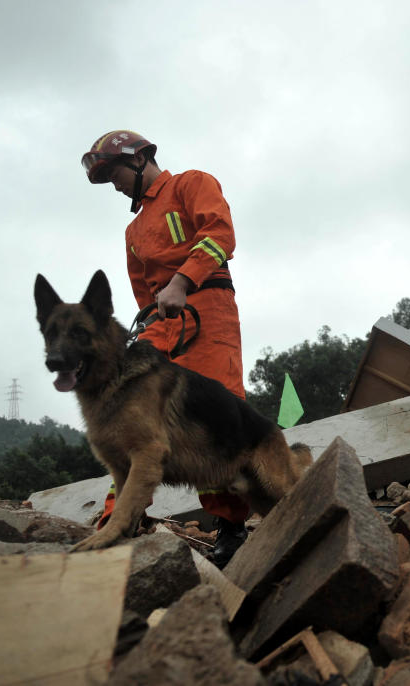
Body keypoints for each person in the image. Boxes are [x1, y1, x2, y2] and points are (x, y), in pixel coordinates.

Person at [81, 130, 251, 565]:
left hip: (207, 306)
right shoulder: (133, 230)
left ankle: (231, 525)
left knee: (215, 416)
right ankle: (117, 521)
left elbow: (220, 235)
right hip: (161, 323)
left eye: (114, 173)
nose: (114, 185)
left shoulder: (191, 183)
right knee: (128, 409)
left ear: (139, 161)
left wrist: (182, 280)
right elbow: (143, 292)